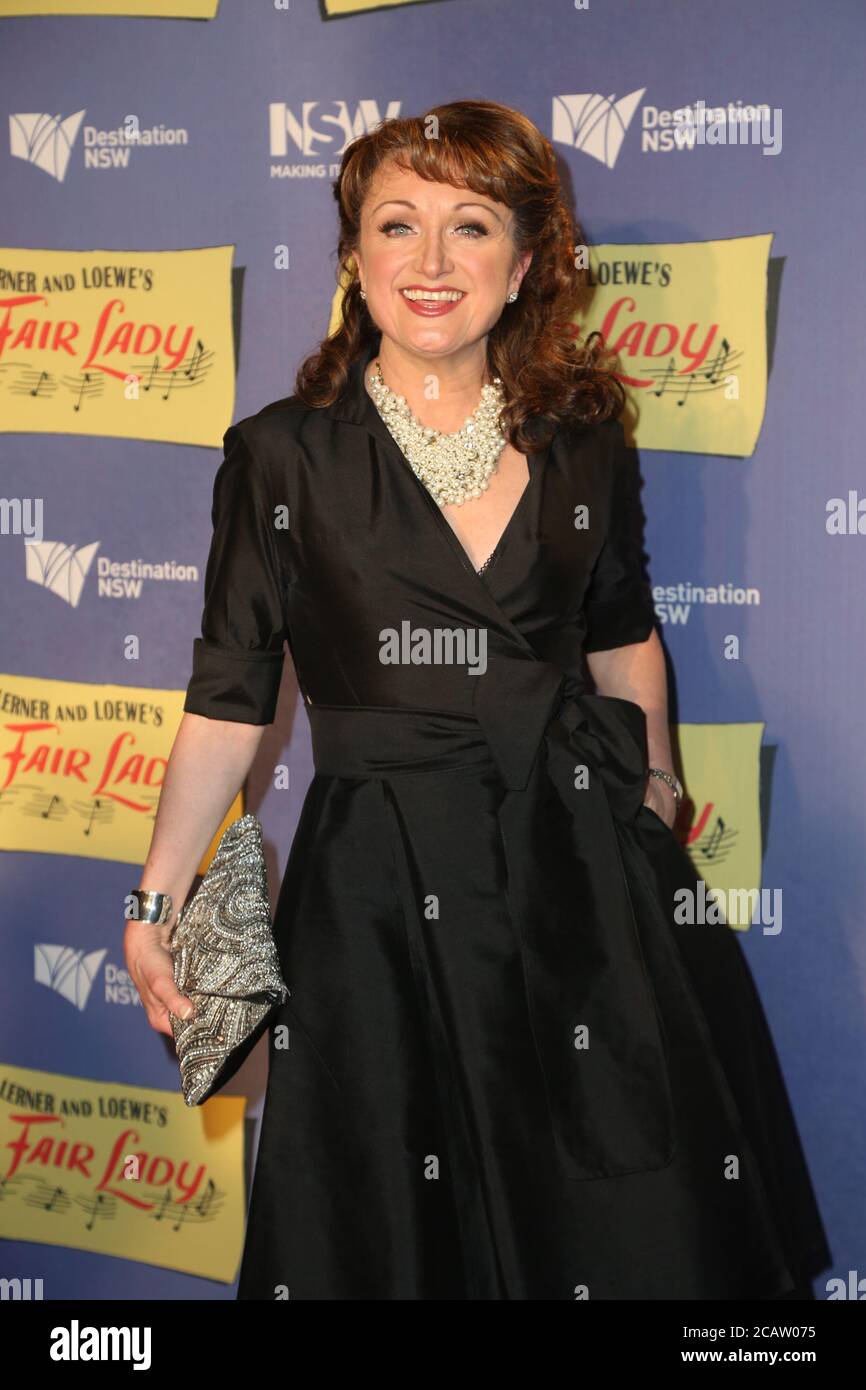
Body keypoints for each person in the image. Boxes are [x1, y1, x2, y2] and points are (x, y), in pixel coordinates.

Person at [125, 100, 831, 1300]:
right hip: (376, 889)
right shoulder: (281, 456)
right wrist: (159, 892)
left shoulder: (586, 434)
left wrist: (651, 788)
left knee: (621, 1219)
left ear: (524, 263)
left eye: (471, 226)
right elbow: (230, 695)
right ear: (354, 257)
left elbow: (620, 634)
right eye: (397, 226)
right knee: (392, 1223)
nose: (432, 262)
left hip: (579, 863)